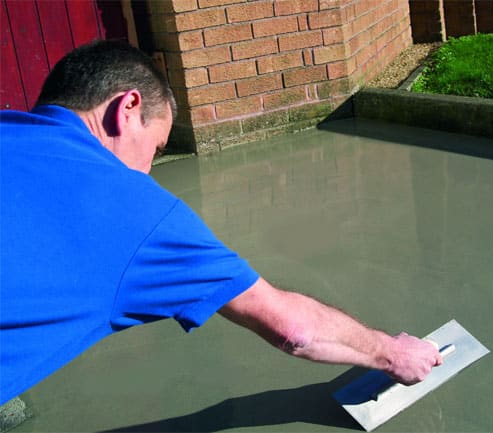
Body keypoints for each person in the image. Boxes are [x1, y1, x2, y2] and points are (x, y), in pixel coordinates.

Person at [0, 40, 441, 407]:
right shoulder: (135, 211)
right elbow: (293, 330)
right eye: (157, 147)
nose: (148, 169)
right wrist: (391, 353)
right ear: (128, 107)